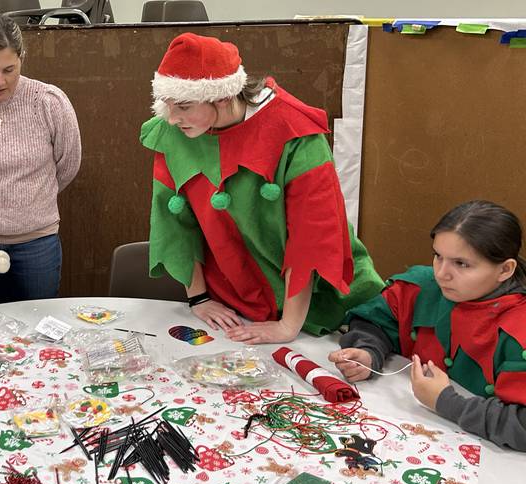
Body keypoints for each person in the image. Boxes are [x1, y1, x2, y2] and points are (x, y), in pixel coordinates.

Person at [141, 32, 383, 343]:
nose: (173, 118)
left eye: (184, 106)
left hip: (322, 305)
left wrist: (287, 325)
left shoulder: (294, 133)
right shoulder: (174, 131)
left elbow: (312, 238)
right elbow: (174, 222)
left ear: (224, 96)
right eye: (167, 104)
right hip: (238, 303)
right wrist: (198, 297)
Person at [330, 200, 526, 450]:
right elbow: (377, 320)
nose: (442, 273)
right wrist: (369, 351)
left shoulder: (519, 328)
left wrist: (446, 402)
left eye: (461, 264)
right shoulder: (421, 287)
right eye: (438, 256)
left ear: (505, 270)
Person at [0, 14, 81, 303]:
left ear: (22, 59)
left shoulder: (48, 101)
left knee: (40, 320)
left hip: (37, 241)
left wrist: (31, 200)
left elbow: (68, 163)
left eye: (9, 69)